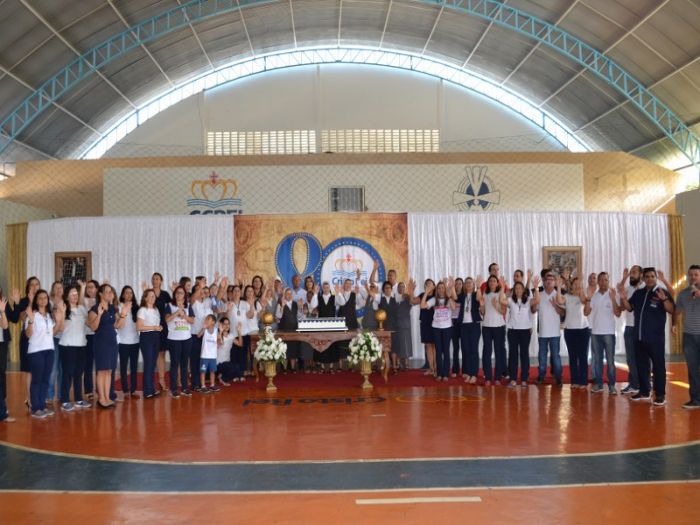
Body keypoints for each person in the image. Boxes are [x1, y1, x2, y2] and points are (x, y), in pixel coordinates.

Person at [619, 268, 674, 406]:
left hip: (655, 339)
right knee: (642, 366)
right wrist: (623, 298)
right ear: (643, 278)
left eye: (652, 276)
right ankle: (644, 391)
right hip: (639, 337)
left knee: (658, 367)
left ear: (656, 278)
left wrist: (664, 299)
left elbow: (671, 309)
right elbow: (629, 308)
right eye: (647, 276)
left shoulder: (661, 292)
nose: (650, 279)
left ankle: (660, 395)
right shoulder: (638, 293)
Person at [25, 289, 65, 418]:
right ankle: (35, 408)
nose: (43, 300)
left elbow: (53, 332)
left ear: (48, 300)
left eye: (45, 298)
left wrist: (59, 321)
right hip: (36, 351)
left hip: (49, 350)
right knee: (36, 380)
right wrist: (31, 321)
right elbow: (28, 334)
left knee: (45, 380)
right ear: (36, 301)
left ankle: (42, 406)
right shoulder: (32, 314)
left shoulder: (49, 315)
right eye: (40, 298)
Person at [88, 284, 126, 409]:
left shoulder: (112, 309)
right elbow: (93, 327)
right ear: (100, 294)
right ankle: (101, 398)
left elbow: (118, 325)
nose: (110, 294)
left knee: (109, 371)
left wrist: (123, 315)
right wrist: (99, 314)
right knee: (102, 371)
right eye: (107, 291)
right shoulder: (94, 309)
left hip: (112, 342)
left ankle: (107, 397)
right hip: (101, 343)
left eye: (111, 292)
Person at [585, 272, 622, 394]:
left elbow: (618, 313)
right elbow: (586, 312)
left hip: (609, 333)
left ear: (608, 281)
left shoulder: (612, 295)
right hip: (595, 333)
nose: (603, 282)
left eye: (605, 280)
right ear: (598, 282)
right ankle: (599, 384)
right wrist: (588, 298)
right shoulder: (594, 296)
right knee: (597, 360)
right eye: (600, 280)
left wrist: (613, 299)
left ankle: (612, 386)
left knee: (610, 361)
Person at [58, 283, 91, 411]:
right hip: (67, 345)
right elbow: (60, 329)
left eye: (76, 294)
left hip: (81, 344)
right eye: (72, 294)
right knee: (68, 373)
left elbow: (89, 323)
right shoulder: (63, 308)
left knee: (79, 373)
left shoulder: (82, 309)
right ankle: (65, 400)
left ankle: (78, 399)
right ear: (66, 296)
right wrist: (61, 314)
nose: (75, 296)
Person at [674, 264, 700, 409]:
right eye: (690, 275)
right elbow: (677, 311)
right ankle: (695, 400)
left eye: (696, 274)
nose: (693, 277)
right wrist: (673, 324)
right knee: (692, 369)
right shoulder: (683, 294)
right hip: (689, 336)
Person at [506, 279, 539, 387]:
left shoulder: (528, 300)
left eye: (520, 288)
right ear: (514, 290)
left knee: (524, 354)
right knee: (513, 354)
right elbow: (502, 300)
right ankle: (513, 379)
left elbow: (537, 300)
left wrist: (536, 288)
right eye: (516, 288)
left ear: (524, 290)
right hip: (513, 330)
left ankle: (524, 378)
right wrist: (502, 287)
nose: (518, 290)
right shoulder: (510, 300)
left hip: (525, 331)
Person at [423, 279, 455, 382]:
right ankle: (439, 373)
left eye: (442, 288)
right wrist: (426, 293)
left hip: (447, 328)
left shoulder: (448, 299)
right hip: (436, 328)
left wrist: (449, 296)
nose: (441, 290)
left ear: (445, 289)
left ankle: (445, 374)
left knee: (446, 351)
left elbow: (454, 308)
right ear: (437, 290)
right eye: (439, 288)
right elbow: (422, 305)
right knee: (438, 351)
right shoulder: (434, 300)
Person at [165, 286, 195, 398]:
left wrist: (184, 315)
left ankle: (184, 388)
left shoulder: (188, 306)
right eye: (177, 292)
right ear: (174, 294)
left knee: (184, 364)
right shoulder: (169, 305)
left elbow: (192, 320)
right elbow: (167, 319)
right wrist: (177, 312)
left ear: (185, 295)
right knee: (174, 364)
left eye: (181, 293)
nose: (179, 294)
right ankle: (174, 389)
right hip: (174, 340)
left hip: (187, 339)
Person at [537, 271, 565, 386]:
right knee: (542, 357)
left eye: (551, 280)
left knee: (555, 356)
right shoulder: (539, 295)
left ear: (555, 282)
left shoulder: (558, 295)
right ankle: (541, 376)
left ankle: (558, 378)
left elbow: (563, 312)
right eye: (547, 280)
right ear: (543, 282)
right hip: (542, 332)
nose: (549, 282)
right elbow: (533, 310)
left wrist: (555, 306)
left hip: (555, 332)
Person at [618, 266, 644, 394]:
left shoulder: (645, 288)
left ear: (641, 274)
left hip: (642, 328)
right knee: (630, 359)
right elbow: (623, 308)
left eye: (634, 272)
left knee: (643, 358)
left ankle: (645, 384)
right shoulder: (628, 289)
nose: (631, 275)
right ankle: (633, 384)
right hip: (629, 327)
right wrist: (623, 280)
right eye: (630, 273)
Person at [563, 276, 591, 390]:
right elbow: (560, 301)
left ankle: (583, 381)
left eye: (579, 284)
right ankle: (574, 380)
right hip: (569, 330)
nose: (577, 286)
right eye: (575, 284)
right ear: (571, 286)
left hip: (583, 329)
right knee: (573, 356)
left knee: (583, 356)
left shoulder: (583, 296)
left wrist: (581, 291)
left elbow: (584, 301)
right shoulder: (567, 296)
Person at [481, 275, 507, 386]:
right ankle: (487, 377)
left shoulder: (501, 294)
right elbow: (483, 312)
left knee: (498, 352)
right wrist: (481, 306)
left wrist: (495, 305)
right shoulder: (484, 294)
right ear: (488, 283)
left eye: (494, 281)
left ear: (497, 283)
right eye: (490, 281)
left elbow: (503, 312)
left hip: (499, 327)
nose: (492, 282)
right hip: (486, 327)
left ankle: (497, 377)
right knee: (487, 352)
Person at [456, 277, 483, 384]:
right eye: (466, 282)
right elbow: (453, 297)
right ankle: (467, 372)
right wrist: (451, 286)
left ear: (473, 285)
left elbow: (479, 299)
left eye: (470, 283)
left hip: (474, 325)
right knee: (466, 350)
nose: (468, 284)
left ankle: (474, 374)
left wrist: (479, 287)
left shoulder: (476, 294)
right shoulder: (462, 296)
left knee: (473, 350)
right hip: (464, 325)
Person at [137, 289, 163, 399]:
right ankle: (147, 391)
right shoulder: (142, 310)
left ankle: (151, 388)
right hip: (146, 337)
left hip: (156, 336)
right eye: (150, 296)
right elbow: (139, 327)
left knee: (152, 364)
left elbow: (156, 324)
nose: (153, 298)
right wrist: (154, 327)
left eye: (154, 296)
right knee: (148, 363)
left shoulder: (156, 310)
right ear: (145, 298)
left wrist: (158, 328)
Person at [149, 272, 171, 393]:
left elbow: (171, 307)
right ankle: (150, 382)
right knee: (152, 354)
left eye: (157, 279)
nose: (155, 281)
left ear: (161, 281)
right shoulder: (148, 293)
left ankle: (161, 379)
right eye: (153, 279)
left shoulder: (165, 294)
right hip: (151, 327)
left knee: (161, 354)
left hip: (163, 327)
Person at [117, 286, 141, 399]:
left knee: (134, 367)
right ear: (123, 295)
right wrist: (124, 311)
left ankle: (133, 389)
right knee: (123, 367)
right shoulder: (119, 307)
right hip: (123, 342)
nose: (129, 295)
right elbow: (118, 324)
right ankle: (125, 390)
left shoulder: (137, 308)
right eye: (126, 293)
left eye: (131, 293)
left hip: (135, 341)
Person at [190, 284, 214, 391]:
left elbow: (212, 322)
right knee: (195, 360)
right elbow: (192, 298)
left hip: (206, 337)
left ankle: (202, 383)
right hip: (195, 335)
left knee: (203, 361)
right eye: (199, 291)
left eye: (203, 291)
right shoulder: (194, 304)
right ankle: (195, 384)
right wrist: (200, 286)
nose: (201, 293)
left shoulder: (208, 308)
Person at [414, 279, 436, 376]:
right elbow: (413, 301)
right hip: (425, 323)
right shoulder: (423, 295)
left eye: (430, 284)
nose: (428, 286)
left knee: (434, 346)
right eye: (426, 284)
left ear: (434, 286)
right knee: (427, 345)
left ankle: (436, 368)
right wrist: (412, 291)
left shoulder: (436, 296)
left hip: (435, 323)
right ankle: (431, 368)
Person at [374, 281, 398, 373]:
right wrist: (368, 288)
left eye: (389, 288)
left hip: (393, 326)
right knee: (382, 346)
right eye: (386, 288)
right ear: (383, 290)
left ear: (391, 289)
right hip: (382, 327)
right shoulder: (380, 298)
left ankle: (394, 366)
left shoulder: (395, 298)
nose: (387, 289)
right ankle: (382, 366)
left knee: (394, 347)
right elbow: (372, 294)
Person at [47, 281, 65, 406]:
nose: (59, 290)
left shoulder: (66, 302)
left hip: (65, 339)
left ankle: (61, 395)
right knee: (53, 369)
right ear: (53, 289)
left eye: (60, 288)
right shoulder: (48, 302)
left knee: (63, 368)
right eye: (56, 288)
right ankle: (49, 395)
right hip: (53, 338)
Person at [316, 281, 339, 373]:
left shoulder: (334, 297)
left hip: (331, 325)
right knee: (322, 344)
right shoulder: (319, 297)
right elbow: (313, 306)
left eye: (327, 287)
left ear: (329, 288)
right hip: (321, 326)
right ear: (322, 288)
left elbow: (342, 303)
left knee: (331, 345)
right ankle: (322, 366)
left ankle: (331, 367)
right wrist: (315, 293)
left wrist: (338, 293)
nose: (326, 289)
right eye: (324, 287)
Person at [276, 288, 301, 372]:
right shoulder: (280, 304)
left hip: (294, 330)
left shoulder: (295, 304)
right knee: (284, 349)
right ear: (284, 295)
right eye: (287, 294)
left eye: (290, 294)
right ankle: (284, 368)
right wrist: (282, 306)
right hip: (284, 330)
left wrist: (300, 307)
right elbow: (278, 316)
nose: (289, 295)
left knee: (293, 349)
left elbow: (300, 316)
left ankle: (293, 368)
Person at [82, 279, 99, 399]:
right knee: (88, 364)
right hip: (87, 335)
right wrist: (82, 288)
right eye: (88, 287)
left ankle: (100, 389)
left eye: (92, 287)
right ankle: (88, 390)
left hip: (99, 335)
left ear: (97, 289)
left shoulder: (100, 301)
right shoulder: (84, 300)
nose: (90, 289)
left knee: (100, 364)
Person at [0, 292, 14, 422]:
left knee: (1, 375)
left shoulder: (2, 303)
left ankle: (2, 410)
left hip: (1, 344)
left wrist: (2, 311)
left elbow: (5, 326)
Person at [393, 282, 414, 371]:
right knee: (399, 344)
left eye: (402, 287)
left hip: (405, 324)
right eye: (399, 287)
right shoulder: (394, 298)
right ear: (397, 288)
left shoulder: (408, 297)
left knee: (406, 343)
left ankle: (407, 362)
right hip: (396, 325)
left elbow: (412, 302)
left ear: (405, 288)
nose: (401, 288)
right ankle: (398, 363)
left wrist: (412, 291)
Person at [198, 314, 219, 393]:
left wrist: (220, 333)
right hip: (205, 355)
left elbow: (219, 340)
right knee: (203, 371)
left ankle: (212, 385)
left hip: (213, 356)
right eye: (206, 319)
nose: (206, 320)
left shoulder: (216, 330)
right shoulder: (205, 329)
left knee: (212, 371)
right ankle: (203, 386)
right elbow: (198, 335)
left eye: (208, 319)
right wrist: (203, 328)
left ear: (213, 322)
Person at [450, 278, 464, 378]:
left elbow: (457, 299)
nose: (458, 285)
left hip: (463, 324)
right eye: (457, 284)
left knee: (465, 348)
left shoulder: (464, 296)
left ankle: (465, 370)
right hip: (454, 324)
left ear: (462, 285)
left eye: (460, 284)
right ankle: (455, 369)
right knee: (455, 348)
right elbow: (454, 299)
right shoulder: (451, 295)